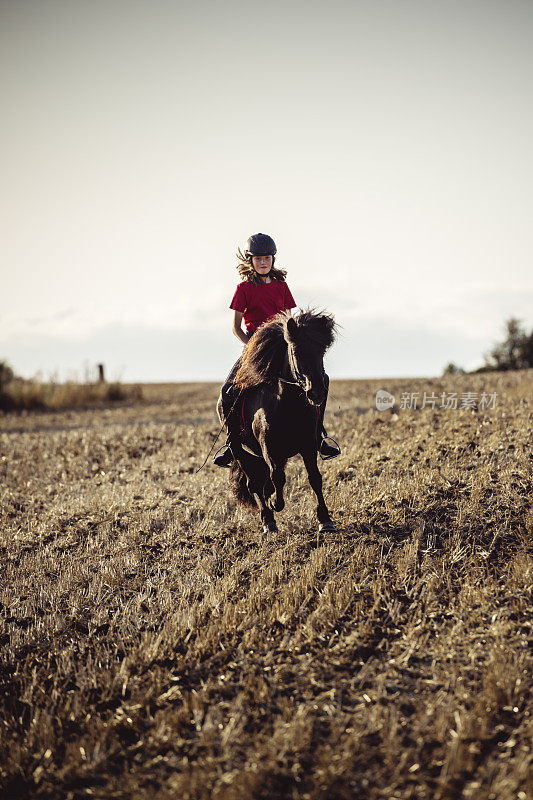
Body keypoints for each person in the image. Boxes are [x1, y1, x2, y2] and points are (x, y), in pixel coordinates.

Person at [213, 233, 341, 467]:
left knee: (321, 379)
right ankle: (232, 444)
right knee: (228, 389)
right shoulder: (243, 288)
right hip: (254, 347)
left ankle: (319, 436)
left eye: (267, 258)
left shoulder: (282, 287)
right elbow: (235, 327)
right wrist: (251, 347)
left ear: (273, 259)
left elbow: (289, 322)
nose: (263, 262)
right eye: (259, 258)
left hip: (283, 347)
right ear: (251, 261)